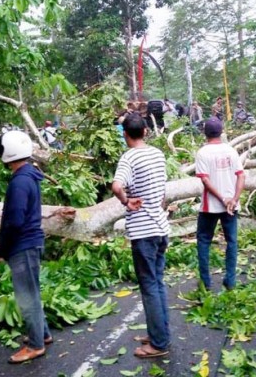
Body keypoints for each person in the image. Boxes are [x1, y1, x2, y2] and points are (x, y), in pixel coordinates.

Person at [112, 113, 170, 358]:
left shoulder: (129, 157)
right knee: (157, 282)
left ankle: (158, 343)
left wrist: (127, 201)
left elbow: (117, 186)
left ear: (125, 134)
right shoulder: (157, 154)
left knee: (149, 285)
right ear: (146, 131)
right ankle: (159, 332)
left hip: (143, 231)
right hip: (161, 227)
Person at [0, 131, 52, 364]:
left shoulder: (20, 182)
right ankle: (43, 334)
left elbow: (15, 220)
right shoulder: (29, 175)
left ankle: (36, 345)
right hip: (30, 243)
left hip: (23, 245)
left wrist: (2, 248)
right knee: (32, 293)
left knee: (26, 297)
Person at [195, 118, 245, 291]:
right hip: (231, 205)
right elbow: (241, 175)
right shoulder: (231, 151)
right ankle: (230, 280)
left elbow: (205, 180)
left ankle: (205, 282)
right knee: (232, 241)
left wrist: (222, 198)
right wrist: (234, 199)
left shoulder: (203, 153)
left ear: (205, 133)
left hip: (211, 206)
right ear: (221, 132)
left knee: (203, 241)